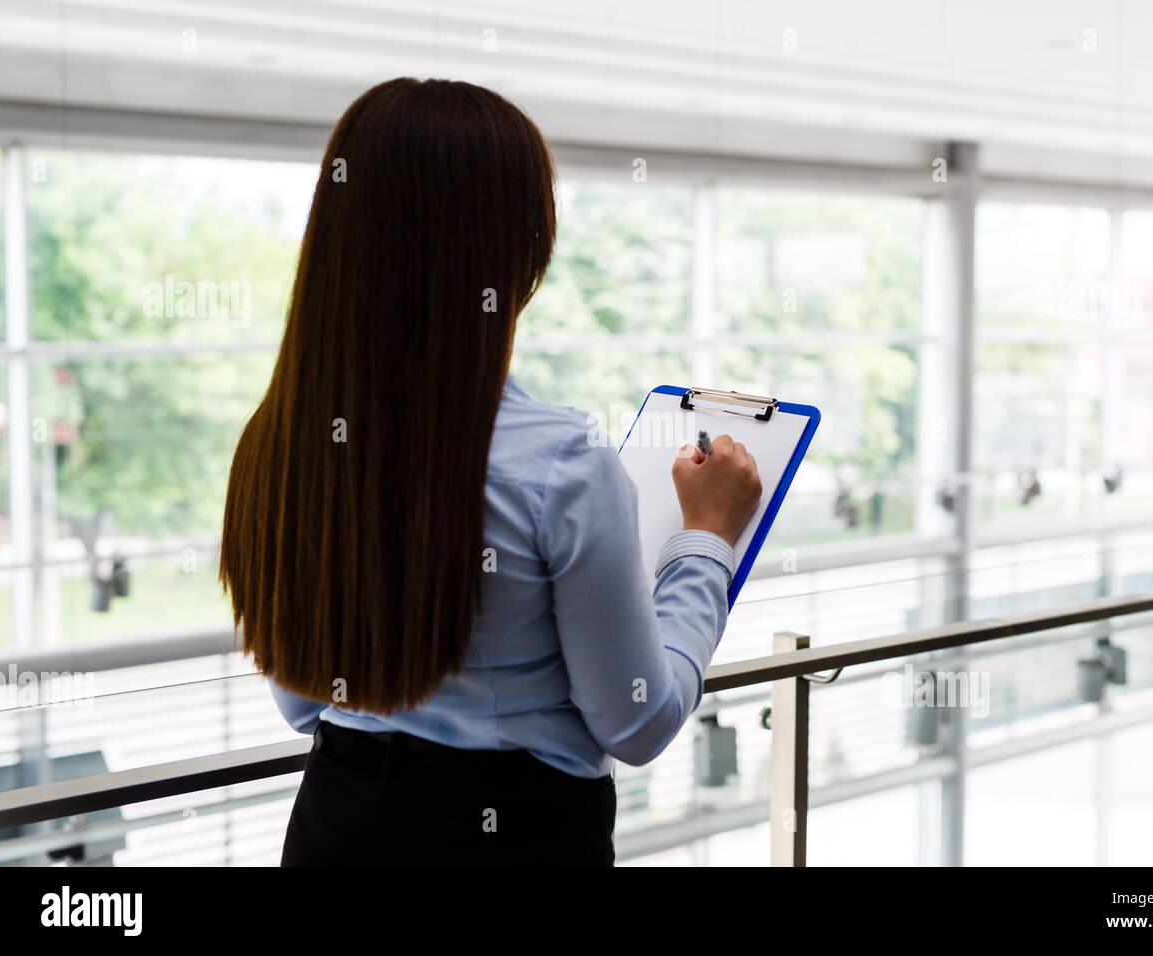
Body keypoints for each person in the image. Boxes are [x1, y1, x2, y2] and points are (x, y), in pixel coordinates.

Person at [219, 77, 762, 867]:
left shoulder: (276, 446)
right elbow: (638, 722)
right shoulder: (560, 465)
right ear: (518, 248)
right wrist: (706, 540)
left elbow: (305, 703)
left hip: (334, 828)